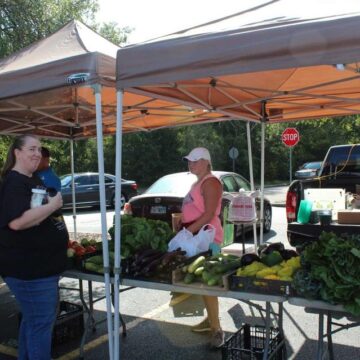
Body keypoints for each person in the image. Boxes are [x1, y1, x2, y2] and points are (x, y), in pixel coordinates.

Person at [0, 134, 68, 360]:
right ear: (17, 153)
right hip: (30, 272)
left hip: (40, 269)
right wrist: (53, 206)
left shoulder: (32, 179)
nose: (37, 153)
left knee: (33, 321)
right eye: (31, 149)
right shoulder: (14, 182)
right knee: (40, 325)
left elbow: (35, 215)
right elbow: (18, 222)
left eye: (39, 149)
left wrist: (49, 207)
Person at [179, 147, 225, 349]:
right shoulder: (198, 182)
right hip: (198, 238)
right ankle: (210, 320)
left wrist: (187, 231)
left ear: (207, 162)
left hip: (207, 239)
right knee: (202, 283)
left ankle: (217, 330)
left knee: (208, 284)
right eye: (190, 160)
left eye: (196, 160)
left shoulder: (211, 182)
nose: (192, 164)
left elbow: (208, 215)